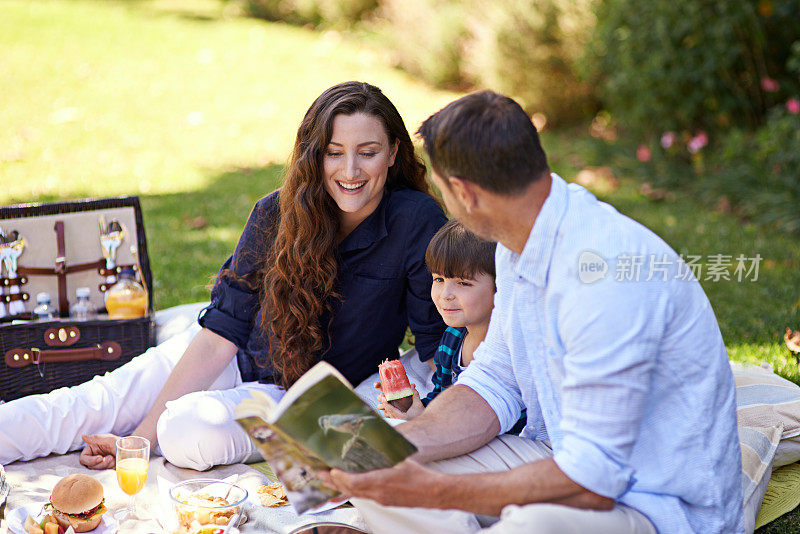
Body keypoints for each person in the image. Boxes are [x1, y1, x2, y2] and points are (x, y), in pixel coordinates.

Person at [322, 91, 744, 533]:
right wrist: (388, 447)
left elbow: (593, 481)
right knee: (377, 479)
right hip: (557, 454)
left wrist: (430, 491)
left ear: (465, 193)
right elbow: (494, 381)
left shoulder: (604, 281)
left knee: (532, 524)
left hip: (653, 506)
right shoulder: (515, 243)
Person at [0, 81, 447, 471]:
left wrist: (405, 416)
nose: (350, 172)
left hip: (297, 398)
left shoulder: (415, 220)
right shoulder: (276, 212)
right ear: (315, 156)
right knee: (84, 407)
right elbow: (221, 335)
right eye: (334, 153)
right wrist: (137, 440)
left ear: (392, 152)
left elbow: (433, 343)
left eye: (367, 153)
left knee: (190, 432)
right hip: (230, 357)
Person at [376, 220, 525, 435]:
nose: (445, 294)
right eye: (438, 279)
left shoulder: (513, 349)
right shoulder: (452, 339)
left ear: (501, 286)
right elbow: (441, 395)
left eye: (463, 283)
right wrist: (415, 411)